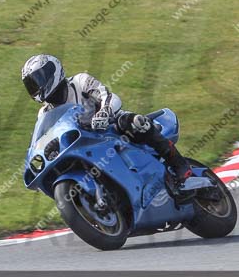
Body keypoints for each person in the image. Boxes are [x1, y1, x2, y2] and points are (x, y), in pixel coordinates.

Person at [21, 53, 192, 184]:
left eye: (38, 80)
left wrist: (104, 112)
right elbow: (46, 138)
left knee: (134, 122)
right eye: (32, 84)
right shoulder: (44, 114)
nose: (37, 87)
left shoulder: (80, 82)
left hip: (110, 128)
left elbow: (108, 96)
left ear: (53, 71)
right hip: (81, 144)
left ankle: (178, 163)